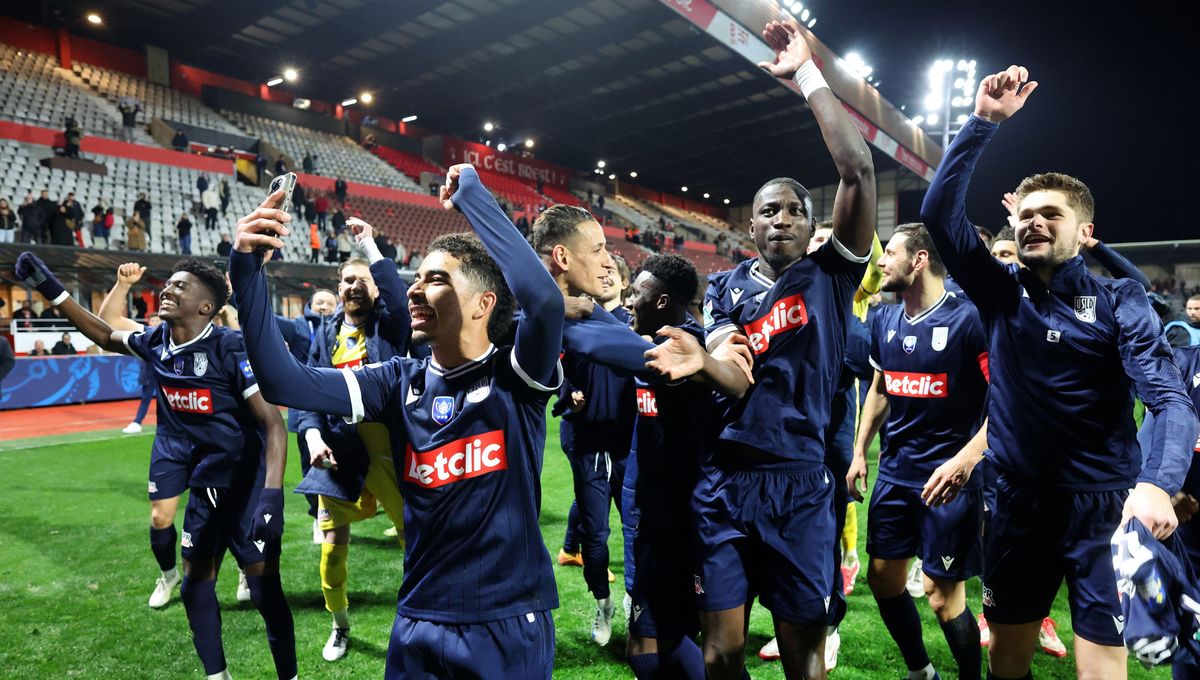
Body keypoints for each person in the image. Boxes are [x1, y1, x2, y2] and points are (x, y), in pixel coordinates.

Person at [228, 164, 566, 678]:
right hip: (417, 617)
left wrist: (473, 197)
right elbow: (283, 383)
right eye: (416, 278)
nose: (412, 290)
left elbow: (544, 302)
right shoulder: (396, 380)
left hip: (504, 618)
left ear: (483, 304)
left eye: (436, 279)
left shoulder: (514, 375)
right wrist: (247, 271)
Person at [920, 63, 1198, 680]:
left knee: (1102, 668)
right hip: (1017, 504)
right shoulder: (999, 290)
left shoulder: (1122, 301)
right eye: (1025, 214)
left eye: (1051, 213)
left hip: (1105, 510)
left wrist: (1157, 481)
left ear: (1086, 231)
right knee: (1008, 661)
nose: (1032, 222)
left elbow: (1172, 402)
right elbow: (939, 215)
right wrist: (982, 123)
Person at [683, 19, 876, 680]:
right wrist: (710, 351)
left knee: (803, 654)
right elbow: (726, 364)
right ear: (750, 223)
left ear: (814, 224)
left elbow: (856, 168)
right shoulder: (723, 285)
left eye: (795, 209)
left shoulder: (832, 274)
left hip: (800, 482)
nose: (782, 218)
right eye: (769, 210)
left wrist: (807, 74)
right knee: (721, 651)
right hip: (726, 479)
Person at [15, 252, 297, 680]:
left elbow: (273, 425)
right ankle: (217, 676)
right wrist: (48, 286)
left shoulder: (229, 347)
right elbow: (105, 334)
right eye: (169, 284)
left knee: (264, 591)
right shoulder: (157, 341)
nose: (167, 289)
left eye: (181, 286)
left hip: (247, 489)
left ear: (206, 307)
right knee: (195, 585)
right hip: (205, 488)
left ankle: (289, 675)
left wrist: (272, 496)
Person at [844, 223, 988, 680]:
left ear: (919, 259)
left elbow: (1006, 401)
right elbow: (880, 389)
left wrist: (966, 459)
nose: (881, 262)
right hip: (895, 475)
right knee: (884, 579)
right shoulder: (884, 320)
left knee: (942, 595)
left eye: (890, 254)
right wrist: (859, 451)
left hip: (949, 482)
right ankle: (921, 671)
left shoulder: (970, 320)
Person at [297, 220, 411, 662]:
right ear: (338, 288)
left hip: (391, 451)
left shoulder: (391, 326)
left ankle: (421, 620)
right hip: (341, 451)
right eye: (347, 280)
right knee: (330, 552)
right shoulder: (324, 334)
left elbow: (398, 301)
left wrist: (367, 245)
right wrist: (310, 434)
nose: (353, 287)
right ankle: (339, 624)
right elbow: (305, 390)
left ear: (376, 288)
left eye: (363, 280)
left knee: (414, 546)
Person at [622, 253, 716, 680]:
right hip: (655, 510)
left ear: (661, 302)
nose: (629, 300)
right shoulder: (647, 340)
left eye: (636, 294)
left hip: (685, 517)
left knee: (662, 637)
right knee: (655, 636)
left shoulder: (691, 348)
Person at [122, 310, 161, 434]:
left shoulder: (167, 334)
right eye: (153, 320)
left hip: (165, 373)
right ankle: (137, 422)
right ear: (149, 322)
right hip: (149, 373)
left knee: (169, 401)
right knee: (146, 398)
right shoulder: (143, 335)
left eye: (157, 320)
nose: (155, 323)